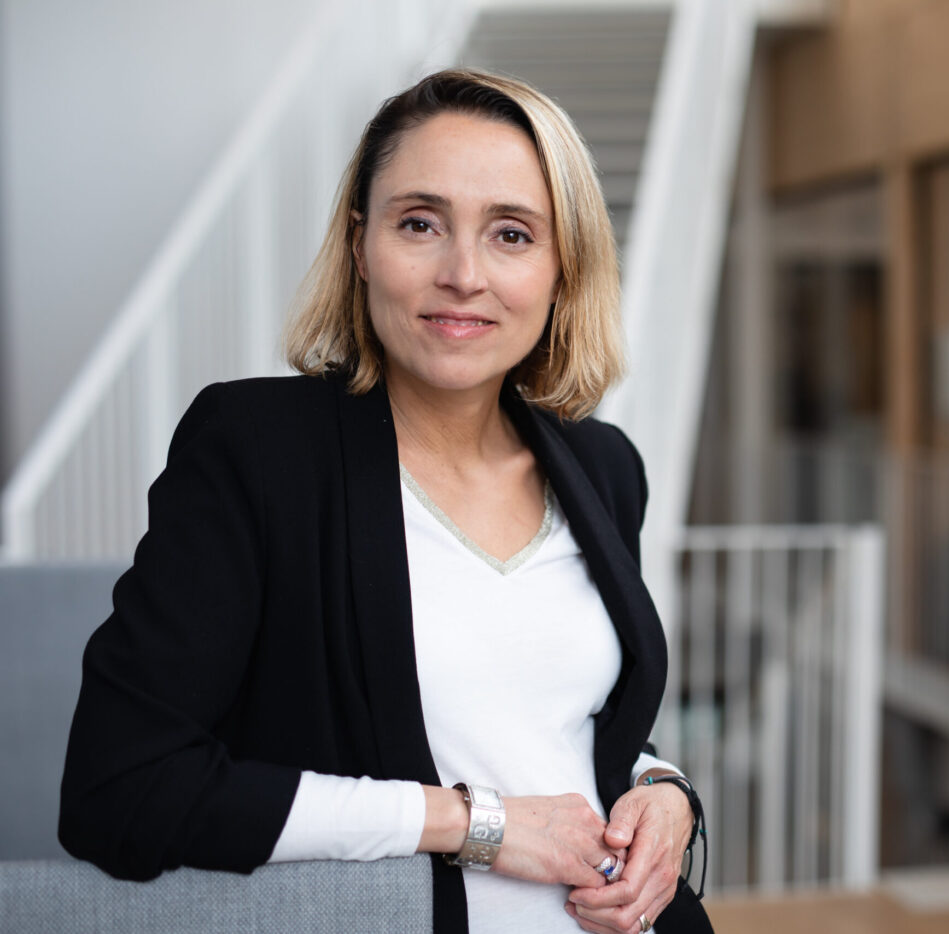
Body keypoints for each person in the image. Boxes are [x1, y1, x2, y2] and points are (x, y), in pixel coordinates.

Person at [58, 69, 711, 934]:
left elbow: (557, 724)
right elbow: (121, 788)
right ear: (360, 245)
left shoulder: (602, 465)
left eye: (512, 234)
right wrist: (473, 824)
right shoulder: (257, 452)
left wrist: (664, 790)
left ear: (563, 269)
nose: (463, 274)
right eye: (420, 224)